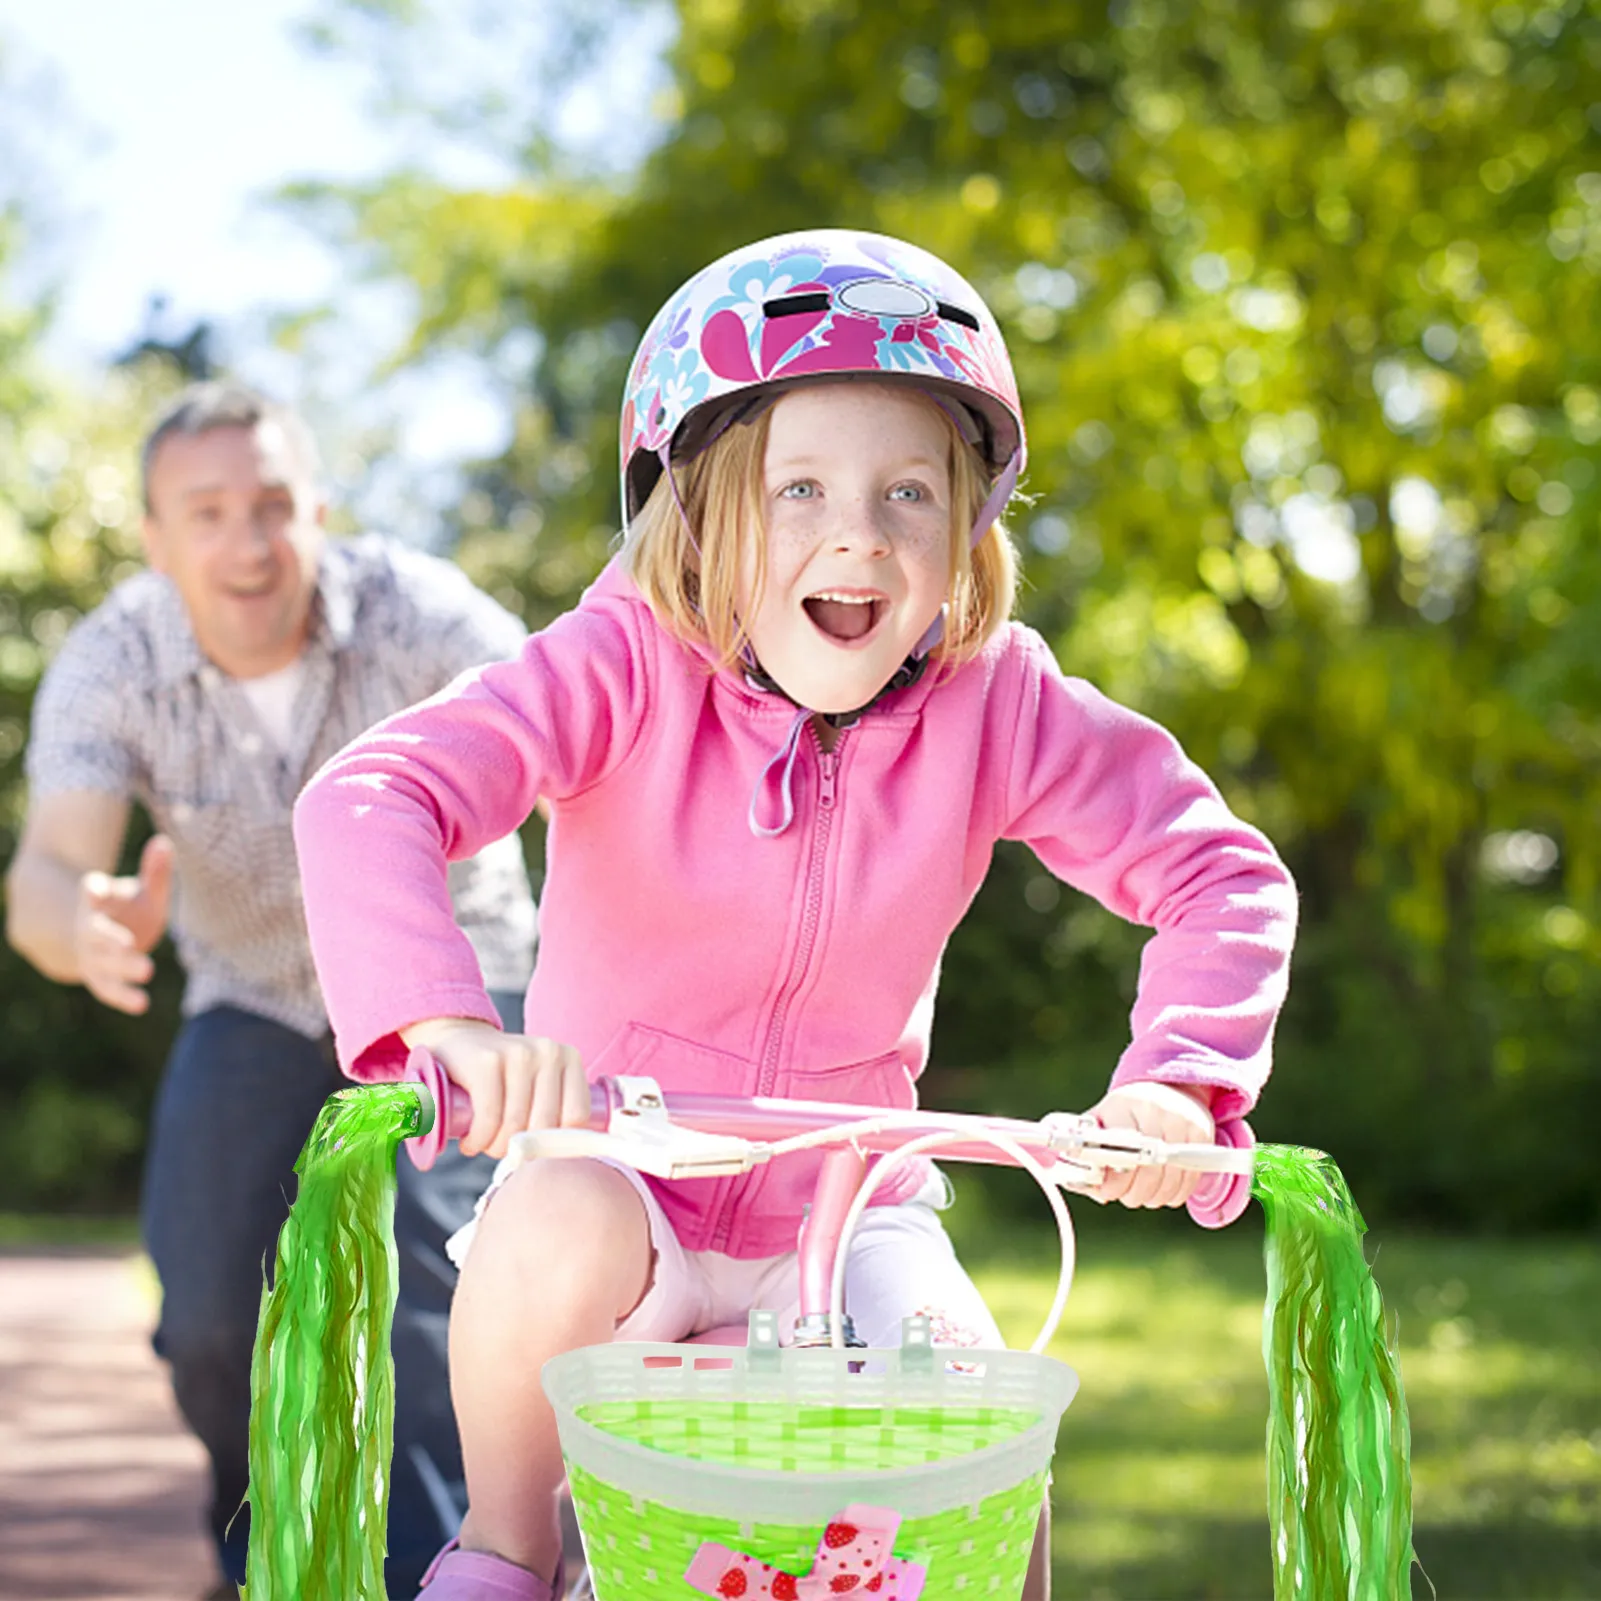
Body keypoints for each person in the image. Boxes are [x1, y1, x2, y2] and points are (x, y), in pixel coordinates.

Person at [291, 230, 1299, 1601]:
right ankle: (506, 1553)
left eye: (908, 494)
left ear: (967, 527)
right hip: (627, 1185)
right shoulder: (624, 662)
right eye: (801, 486)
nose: (857, 534)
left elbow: (1217, 873)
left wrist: (1178, 1087)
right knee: (552, 1217)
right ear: (699, 511)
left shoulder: (997, 699)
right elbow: (373, 796)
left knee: (984, 1435)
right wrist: (448, 1028)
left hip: (851, 1206)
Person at [3, 382, 539, 1599]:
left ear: (320, 511)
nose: (247, 543)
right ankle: (267, 1558)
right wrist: (78, 931)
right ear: (154, 534)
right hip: (252, 996)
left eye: (274, 505)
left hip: (451, 990)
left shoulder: (417, 611)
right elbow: (43, 870)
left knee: (424, 1316)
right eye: (208, 512)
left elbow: (585, 734)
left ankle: (429, 1574)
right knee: (202, 1320)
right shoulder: (113, 661)